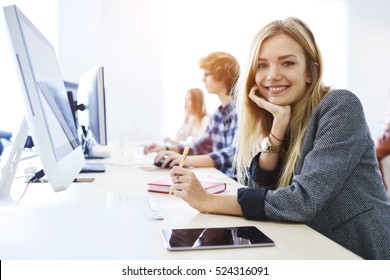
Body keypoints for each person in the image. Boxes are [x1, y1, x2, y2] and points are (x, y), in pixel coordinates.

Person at [168, 17, 390, 259]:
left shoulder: (340, 106)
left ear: (310, 71)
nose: (272, 75)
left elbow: (303, 200)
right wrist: (278, 128)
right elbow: (258, 190)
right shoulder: (282, 115)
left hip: (359, 252)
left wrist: (209, 201)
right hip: (307, 247)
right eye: (262, 65)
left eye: (287, 63)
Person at [144, 51, 240, 178]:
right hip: (219, 179)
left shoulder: (242, 112)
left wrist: (187, 160)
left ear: (222, 75)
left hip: (235, 184)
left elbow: (235, 153)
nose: (202, 79)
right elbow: (201, 145)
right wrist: (167, 149)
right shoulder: (218, 114)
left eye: (206, 75)